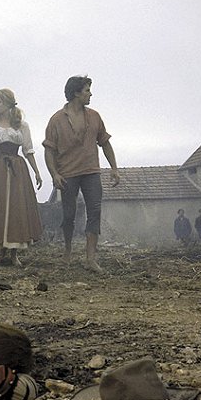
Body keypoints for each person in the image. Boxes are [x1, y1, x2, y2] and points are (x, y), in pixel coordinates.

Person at [43, 76, 120, 273]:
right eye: (87, 90)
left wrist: (113, 168)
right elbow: (49, 150)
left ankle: (90, 258)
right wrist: (54, 174)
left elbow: (105, 142)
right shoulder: (56, 120)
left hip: (91, 171)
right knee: (69, 215)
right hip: (68, 173)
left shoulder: (94, 116)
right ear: (76, 93)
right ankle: (68, 250)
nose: (90, 94)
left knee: (94, 211)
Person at [0, 88, 43, 267]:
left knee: (16, 208)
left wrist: (37, 171)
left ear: (9, 103)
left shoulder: (22, 125)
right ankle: (1, 251)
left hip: (17, 169)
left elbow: (28, 150)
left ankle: (13, 253)